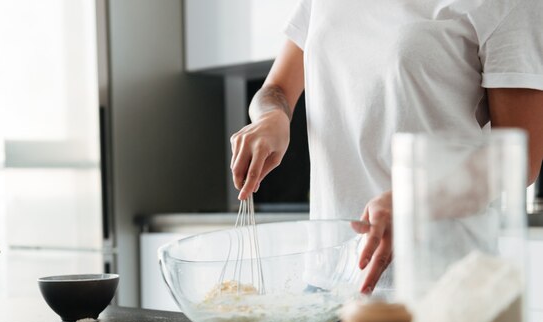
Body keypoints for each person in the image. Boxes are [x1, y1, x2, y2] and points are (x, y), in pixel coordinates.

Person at [229, 0, 543, 294]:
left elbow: (520, 159)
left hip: (444, 288)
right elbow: (275, 88)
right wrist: (271, 116)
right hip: (326, 287)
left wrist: (418, 196)